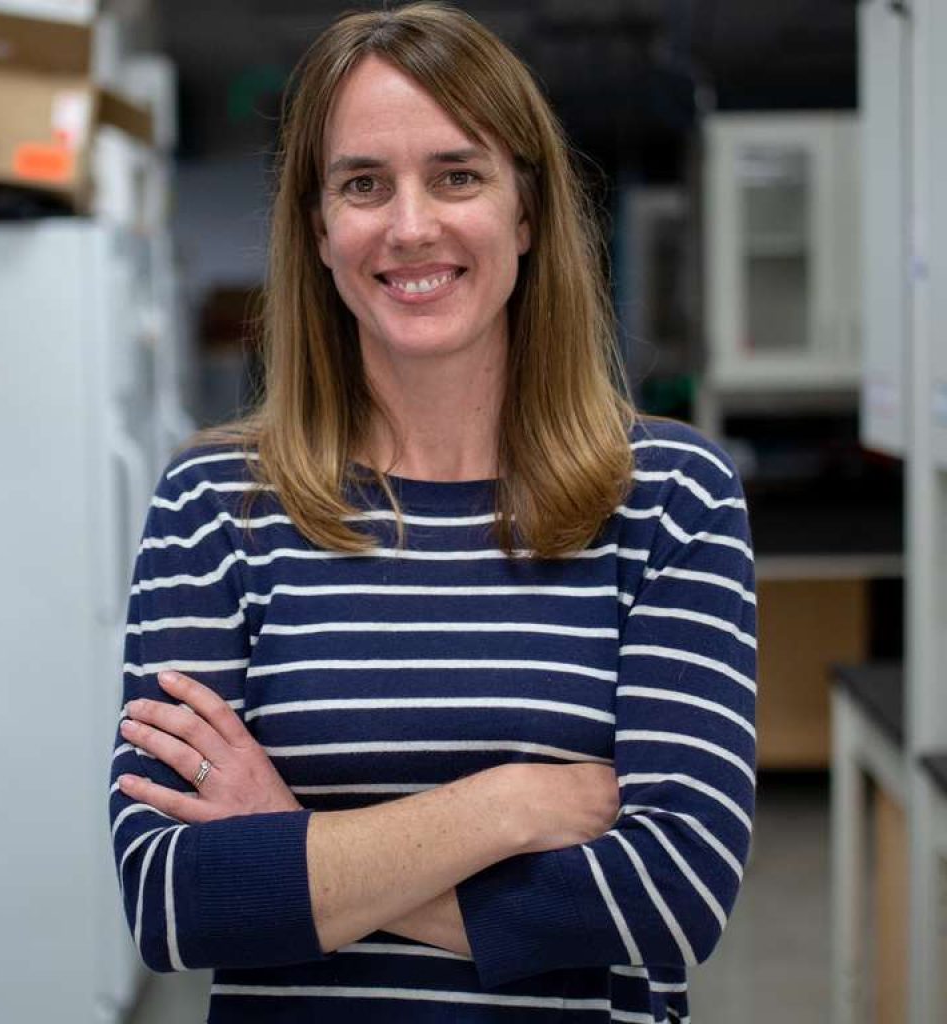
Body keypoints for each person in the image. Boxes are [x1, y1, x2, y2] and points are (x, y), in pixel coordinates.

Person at [109, 3, 756, 1021]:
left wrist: (296, 845)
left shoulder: (669, 497)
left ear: (526, 212)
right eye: (363, 184)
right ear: (319, 230)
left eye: (457, 175)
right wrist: (507, 805)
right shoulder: (212, 506)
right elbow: (177, 903)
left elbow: (669, 902)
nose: (410, 226)